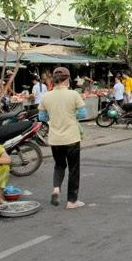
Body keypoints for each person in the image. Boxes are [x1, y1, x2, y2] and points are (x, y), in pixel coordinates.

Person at [39, 67, 87, 209]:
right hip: (71, 137)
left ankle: (56, 188)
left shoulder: (46, 96)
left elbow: (41, 117)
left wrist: (54, 116)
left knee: (59, 166)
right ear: (67, 79)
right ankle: (72, 201)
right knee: (73, 169)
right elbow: (83, 114)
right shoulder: (73, 94)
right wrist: (70, 115)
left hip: (55, 139)